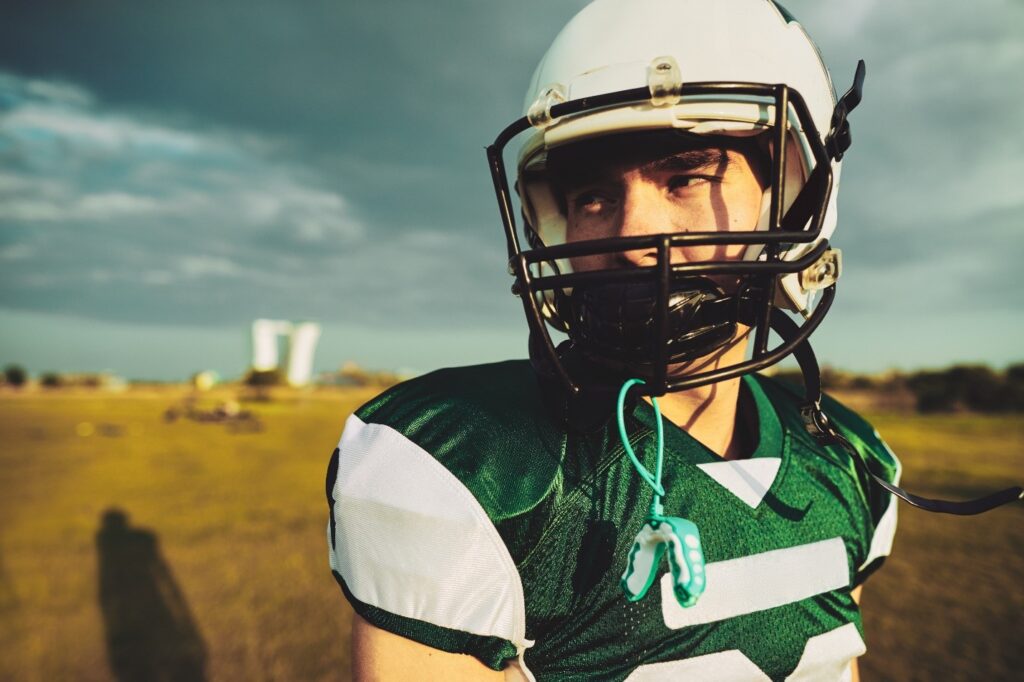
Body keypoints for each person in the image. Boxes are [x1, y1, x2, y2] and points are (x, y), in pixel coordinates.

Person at [326, 1, 903, 679]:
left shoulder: (849, 462)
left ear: (792, 196)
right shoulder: (472, 467)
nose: (633, 236)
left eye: (685, 177)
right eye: (594, 197)